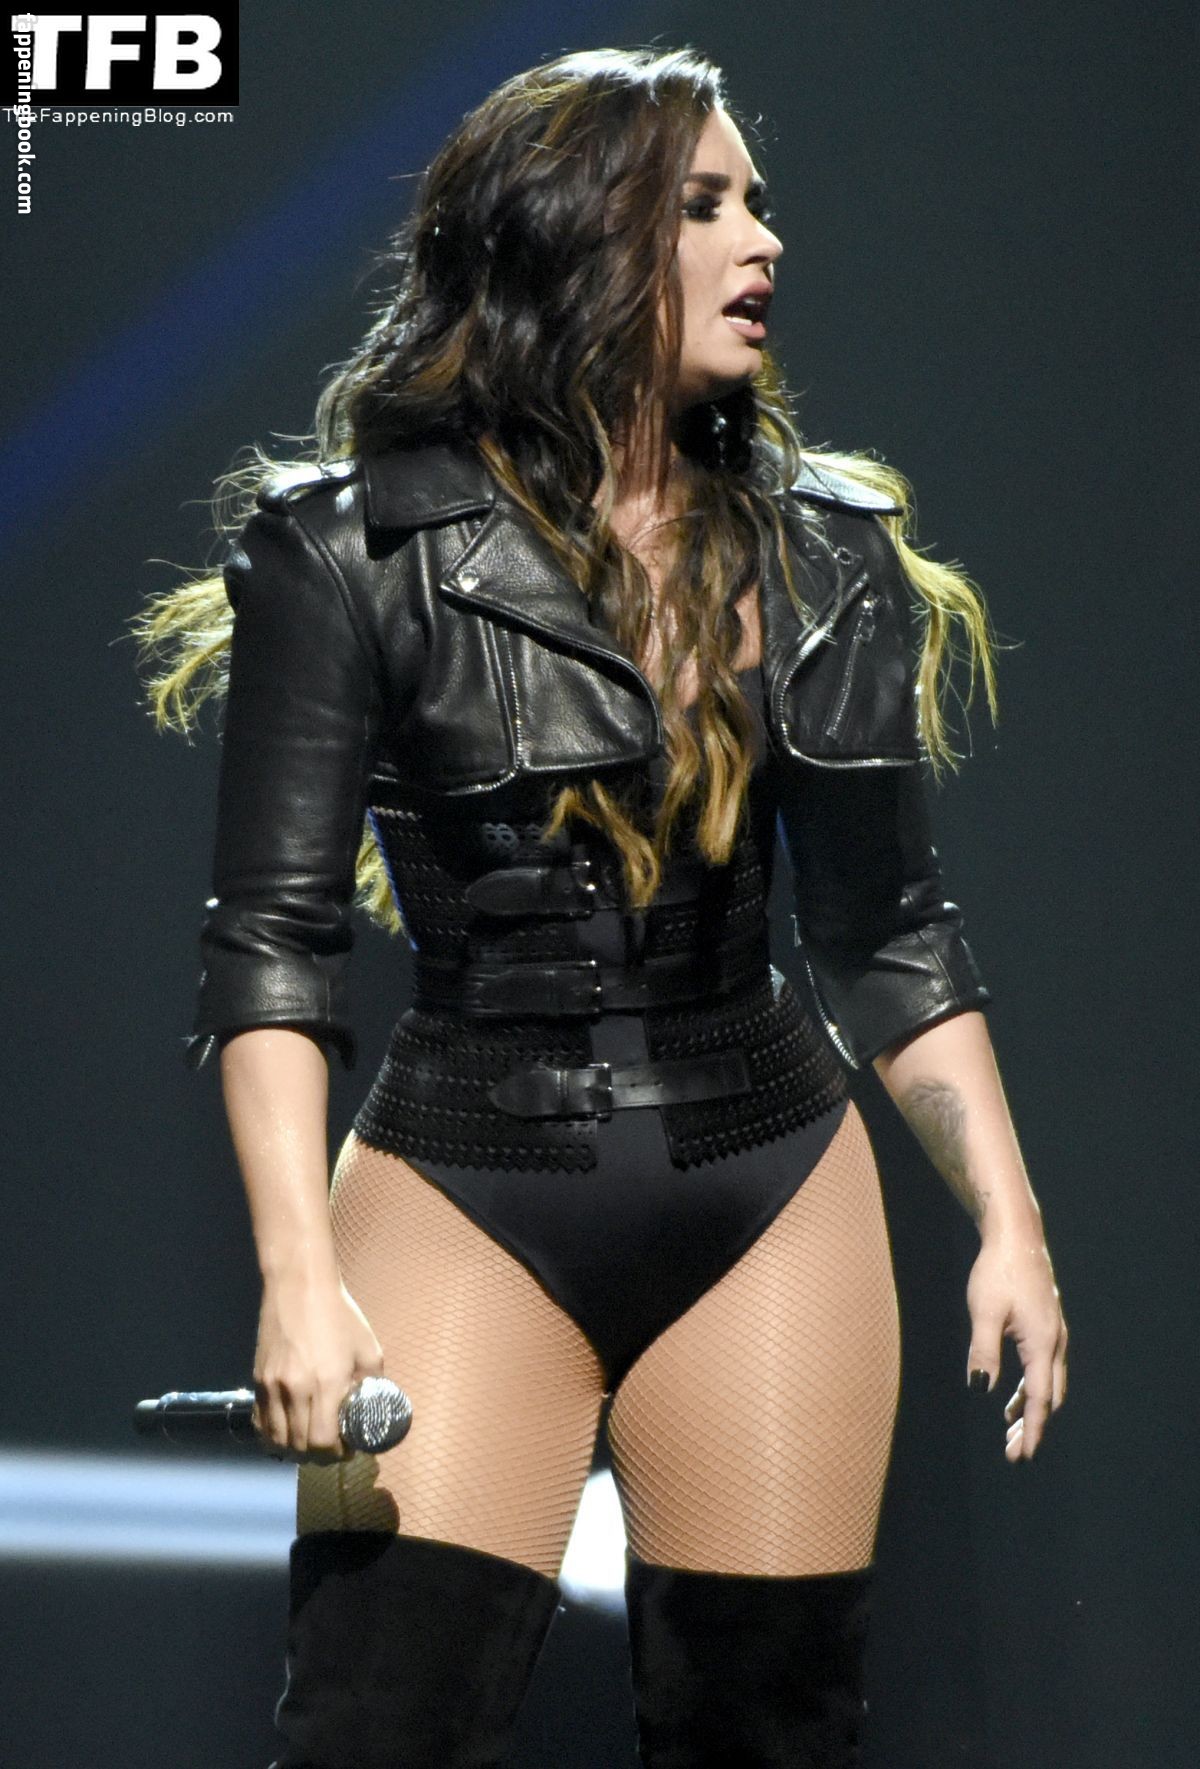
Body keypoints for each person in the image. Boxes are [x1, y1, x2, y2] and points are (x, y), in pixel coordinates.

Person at [134, 46, 1068, 1769]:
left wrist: (1008, 1218)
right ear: (577, 241)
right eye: (703, 207)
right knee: (377, 1727)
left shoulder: (822, 550)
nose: (762, 240)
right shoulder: (352, 550)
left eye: (758, 202)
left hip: (767, 1175)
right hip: (466, 1175)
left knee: (771, 1727)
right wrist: (295, 1276)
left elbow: (887, 927)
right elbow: (272, 944)